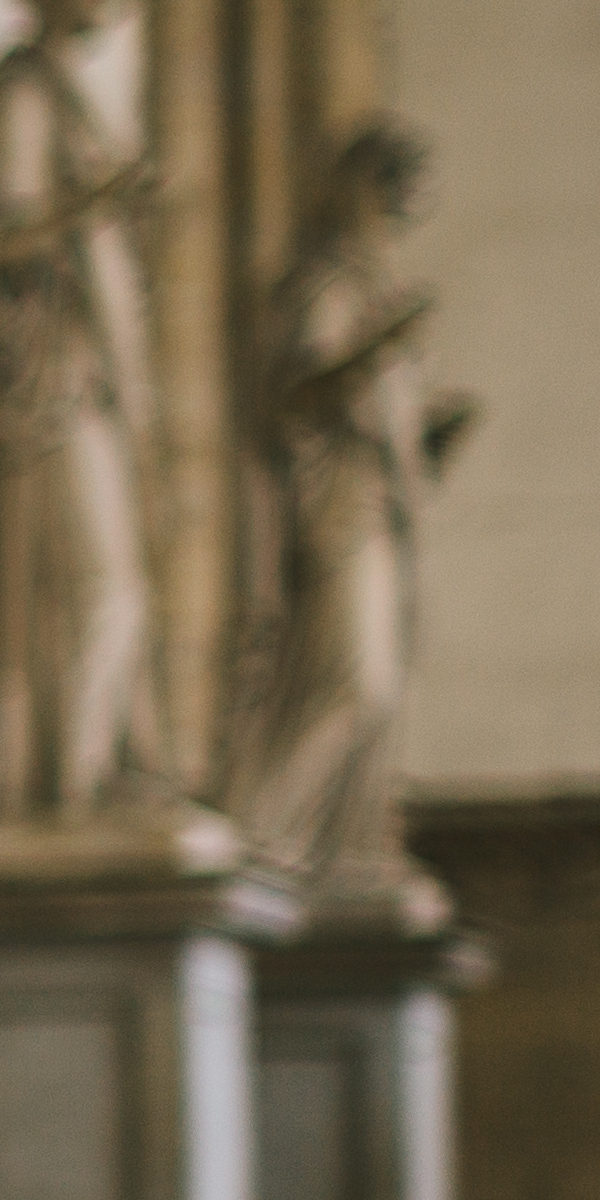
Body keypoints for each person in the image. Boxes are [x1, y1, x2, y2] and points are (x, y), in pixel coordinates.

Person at [0, 0, 169, 817]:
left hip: (94, 390)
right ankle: (61, 794)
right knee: (92, 593)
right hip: (46, 393)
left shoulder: (70, 97)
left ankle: (87, 779)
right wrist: (88, 208)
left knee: (121, 598)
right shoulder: (15, 96)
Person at [226, 120, 472, 878]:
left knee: (385, 696)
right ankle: (252, 845)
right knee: (349, 681)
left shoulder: (374, 289)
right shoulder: (326, 284)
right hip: (339, 512)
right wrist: (376, 351)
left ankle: (341, 857)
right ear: (361, 187)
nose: (399, 216)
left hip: (389, 513)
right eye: (394, 195)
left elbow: (383, 422)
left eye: (412, 205)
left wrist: (433, 435)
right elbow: (294, 401)